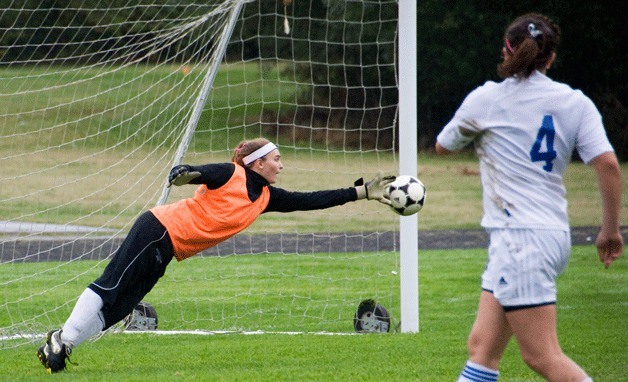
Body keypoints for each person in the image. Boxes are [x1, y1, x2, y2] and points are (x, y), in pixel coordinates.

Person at [37, 137, 395, 373]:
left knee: (119, 308)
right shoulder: (233, 174)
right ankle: (62, 341)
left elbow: (311, 200)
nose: (281, 165)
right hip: (157, 228)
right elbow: (201, 173)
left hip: (170, 249)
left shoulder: (267, 197)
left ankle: (63, 343)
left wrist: (360, 193)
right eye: (276, 159)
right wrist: (185, 174)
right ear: (257, 163)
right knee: (110, 286)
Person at [435, 13, 622, 382]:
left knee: (543, 356)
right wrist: (610, 230)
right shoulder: (574, 101)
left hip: (520, 238)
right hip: (549, 234)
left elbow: (442, 146)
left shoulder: (487, 98)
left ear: (506, 50)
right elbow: (608, 165)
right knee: (482, 348)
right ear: (550, 58)